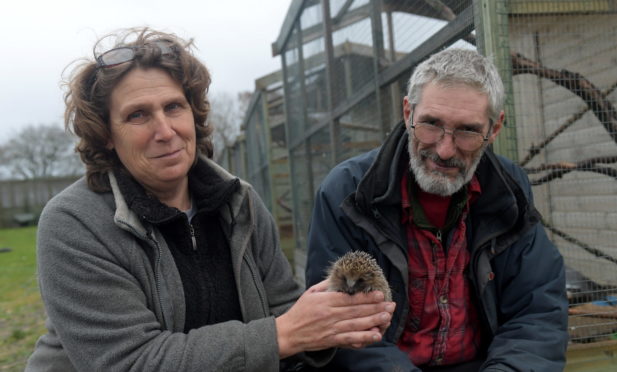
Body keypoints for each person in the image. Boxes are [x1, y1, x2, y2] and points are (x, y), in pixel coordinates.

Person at [26, 27, 395, 372]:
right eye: (138, 115)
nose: (166, 131)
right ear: (106, 133)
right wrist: (281, 335)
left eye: (174, 107)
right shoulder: (74, 223)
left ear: (193, 113)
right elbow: (132, 361)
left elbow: (283, 309)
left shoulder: (241, 202)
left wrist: (329, 325)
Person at [306, 48, 568, 371]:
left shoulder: (510, 190)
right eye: (430, 124)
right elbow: (340, 332)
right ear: (407, 113)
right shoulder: (346, 193)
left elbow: (537, 311)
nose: (444, 150)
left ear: (494, 129)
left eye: (467, 131)